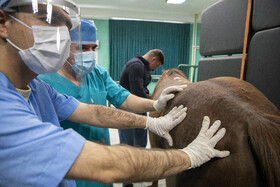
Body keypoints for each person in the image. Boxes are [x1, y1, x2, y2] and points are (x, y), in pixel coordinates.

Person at [0, 0, 230, 186]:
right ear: (3, 22)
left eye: (65, 27)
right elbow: (109, 166)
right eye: (46, 19)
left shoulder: (39, 89)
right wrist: (189, 155)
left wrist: (152, 118)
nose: (58, 36)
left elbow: (96, 113)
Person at [39, 19, 186, 187]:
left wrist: (154, 104)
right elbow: (95, 115)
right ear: (63, 46)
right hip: (70, 168)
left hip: (102, 163)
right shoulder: (44, 82)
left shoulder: (98, 74)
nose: (90, 53)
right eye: (82, 48)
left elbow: (123, 97)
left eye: (93, 48)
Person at [118, 49, 164, 150]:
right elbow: (137, 92)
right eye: (156, 65)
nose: (154, 69)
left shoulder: (141, 66)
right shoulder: (136, 65)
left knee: (140, 143)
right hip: (128, 110)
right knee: (128, 146)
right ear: (153, 59)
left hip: (137, 108)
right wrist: (155, 102)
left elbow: (141, 90)